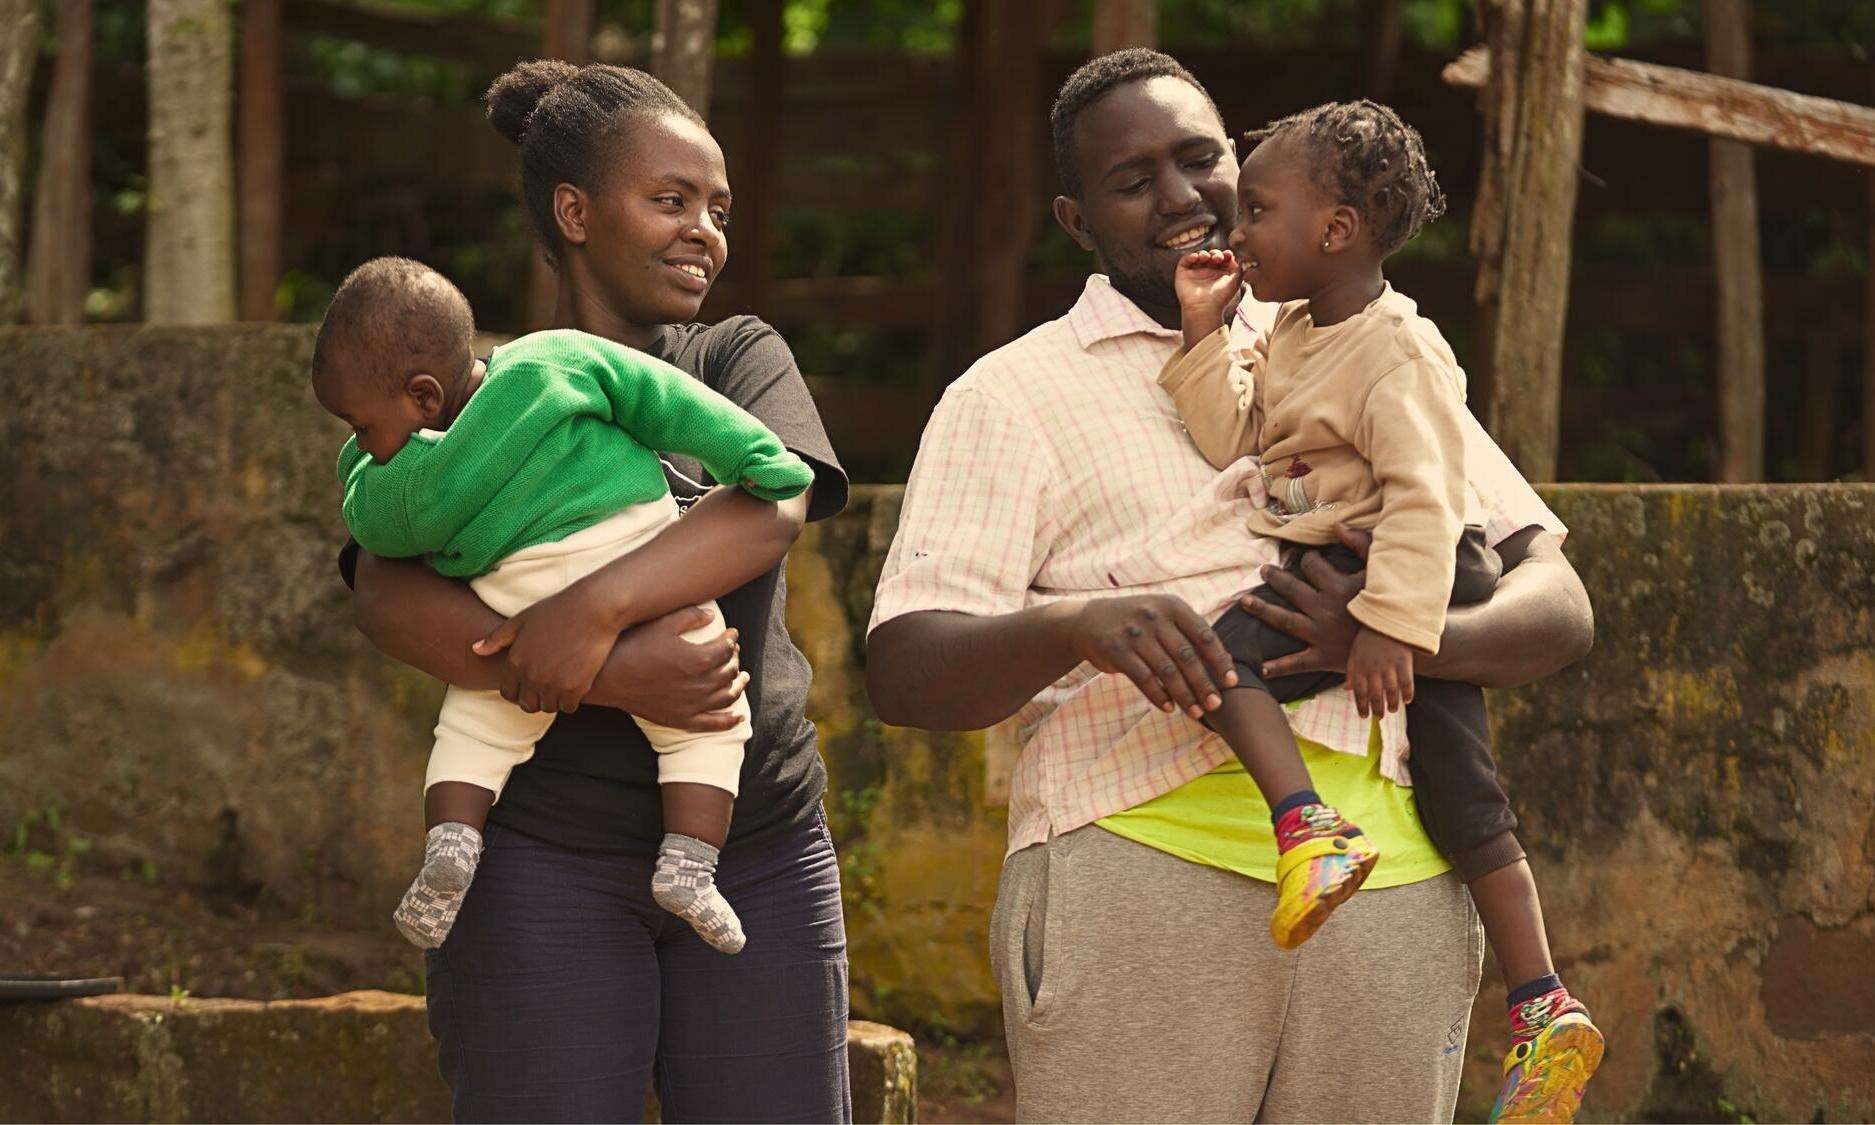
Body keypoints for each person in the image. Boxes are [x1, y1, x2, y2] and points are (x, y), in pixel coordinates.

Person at [866, 49, 1595, 1123]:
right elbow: (906, 669)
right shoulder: (1011, 395)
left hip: (1399, 884)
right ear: (1076, 220)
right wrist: (1077, 623)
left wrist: (1385, 639)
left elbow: (1558, 604)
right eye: (1132, 179)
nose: (1182, 197)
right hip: (1140, 878)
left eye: (1203, 158)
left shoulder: (1364, 341)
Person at [340, 61, 852, 1121]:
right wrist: (622, 677)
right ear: (574, 212)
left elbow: (772, 504)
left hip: (754, 851)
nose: (703, 230)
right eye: (669, 201)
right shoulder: (471, 397)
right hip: (539, 860)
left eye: (716, 209)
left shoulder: (733, 356)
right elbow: (386, 596)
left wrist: (589, 616)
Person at [1160, 99, 1602, 1120]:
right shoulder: (1292, 333)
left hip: (1422, 576)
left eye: (1259, 210)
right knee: (1460, 798)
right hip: (1365, 583)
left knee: (1226, 668)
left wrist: (1397, 633)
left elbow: (1430, 496)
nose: (1236, 232)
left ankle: (1312, 830)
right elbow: (1236, 439)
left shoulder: (1399, 351)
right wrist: (1201, 332)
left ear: (1336, 231)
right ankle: (1546, 1005)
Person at [313, 257, 817, 956]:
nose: (359, 443)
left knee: (474, 721)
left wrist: (364, 468)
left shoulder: (408, 487)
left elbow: (370, 530)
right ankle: (691, 864)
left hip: (516, 606)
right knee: (712, 720)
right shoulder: (552, 362)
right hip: (643, 564)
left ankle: (451, 845)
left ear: (425, 397)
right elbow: (667, 401)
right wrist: (761, 460)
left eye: (358, 425)